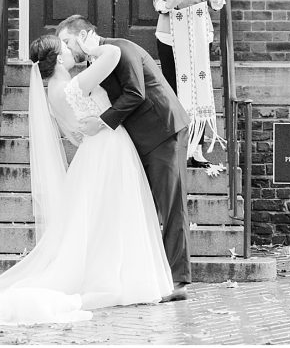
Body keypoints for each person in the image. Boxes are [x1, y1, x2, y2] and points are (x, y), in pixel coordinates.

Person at [0, 35, 172, 326]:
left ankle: (122, 274)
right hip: (108, 149)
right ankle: (127, 278)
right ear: (60, 59)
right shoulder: (74, 85)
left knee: (107, 217)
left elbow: (75, 135)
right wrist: (94, 47)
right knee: (116, 213)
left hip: (95, 151)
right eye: (66, 47)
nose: (71, 49)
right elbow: (114, 53)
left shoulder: (54, 91)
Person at [58, 15, 193, 303]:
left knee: (170, 206)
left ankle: (178, 281)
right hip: (137, 140)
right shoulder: (97, 62)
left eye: (68, 42)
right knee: (142, 207)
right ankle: (150, 275)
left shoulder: (122, 48)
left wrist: (102, 122)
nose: (68, 49)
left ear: (84, 34)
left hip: (162, 130)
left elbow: (136, 93)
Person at [151, 0, 226, 170]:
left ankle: (198, 149)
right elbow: (158, 1)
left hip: (199, 30)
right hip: (171, 35)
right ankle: (179, 147)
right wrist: (169, 2)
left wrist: (217, 1)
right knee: (175, 89)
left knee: (200, 86)